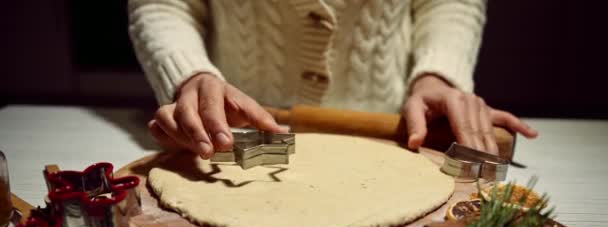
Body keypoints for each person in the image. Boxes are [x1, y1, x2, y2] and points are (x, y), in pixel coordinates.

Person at [128, 0, 537, 159]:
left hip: (396, 136)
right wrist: (190, 74)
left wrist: (438, 76)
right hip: (236, 139)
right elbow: (163, 4)